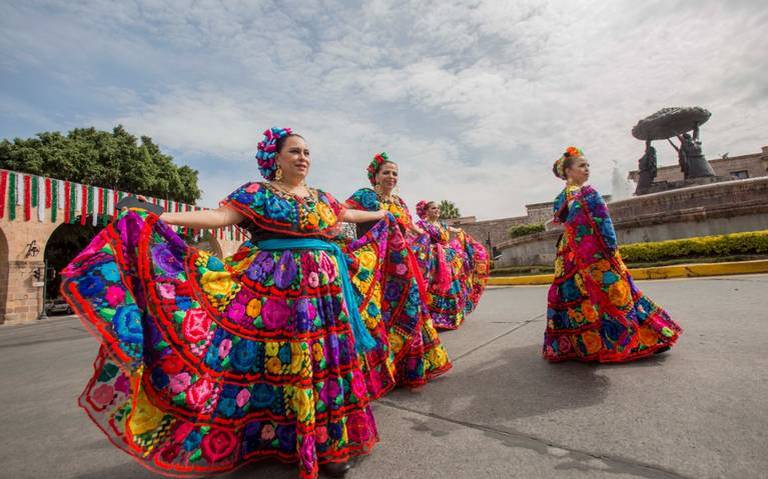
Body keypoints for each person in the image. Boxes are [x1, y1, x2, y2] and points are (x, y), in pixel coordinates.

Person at [60, 127, 407, 479]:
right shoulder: (257, 193)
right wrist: (162, 217)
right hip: (274, 291)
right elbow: (219, 217)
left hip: (326, 296)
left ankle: (329, 443)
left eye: (306, 152)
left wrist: (382, 217)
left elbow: (349, 216)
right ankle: (273, 438)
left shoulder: (322, 198)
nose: (303, 158)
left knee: (325, 362)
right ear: (276, 159)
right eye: (294, 152)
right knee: (277, 361)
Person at [544, 146, 682, 362]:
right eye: (582, 166)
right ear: (569, 172)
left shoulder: (561, 197)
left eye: (588, 165)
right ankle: (632, 341)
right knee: (612, 292)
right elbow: (584, 221)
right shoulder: (578, 194)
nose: (587, 169)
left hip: (570, 253)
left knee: (581, 296)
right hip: (588, 253)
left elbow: (562, 222)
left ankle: (582, 344)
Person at [346, 152, 451, 387]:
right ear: (375, 176)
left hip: (402, 264)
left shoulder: (400, 203)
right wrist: (379, 215)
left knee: (410, 308)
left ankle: (407, 369)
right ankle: (378, 371)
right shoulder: (364, 196)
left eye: (395, 173)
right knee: (375, 313)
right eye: (386, 172)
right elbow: (343, 213)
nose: (391, 177)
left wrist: (426, 236)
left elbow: (411, 227)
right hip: (373, 263)